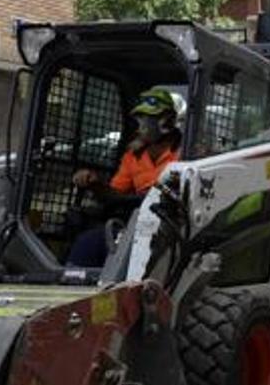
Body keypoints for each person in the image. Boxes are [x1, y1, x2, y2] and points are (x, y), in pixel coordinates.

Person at [67, 88, 183, 268]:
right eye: (140, 120)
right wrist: (94, 183)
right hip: (134, 223)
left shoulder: (186, 152)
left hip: (171, 225)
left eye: (147, 120)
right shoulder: (133, 156)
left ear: (166, 122)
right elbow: (114, 195)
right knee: (89, 243)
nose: (140, 126)